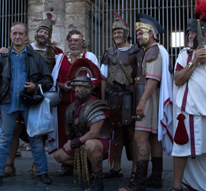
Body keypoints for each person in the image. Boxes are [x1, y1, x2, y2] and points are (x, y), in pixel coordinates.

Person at [171, 1, 206, 191]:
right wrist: (194, 62)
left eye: (192, 33)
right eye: (188, 33)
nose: (189, 36)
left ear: (204, 34)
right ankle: (176, 187)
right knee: (181, 148)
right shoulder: (184, 55)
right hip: (190, 110)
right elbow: (178, 80)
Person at [0, 17, 67, 177]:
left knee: (38, 132)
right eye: (40, 31)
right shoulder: (24, 48)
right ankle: (9, 164)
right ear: (35, 34)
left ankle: (38, 166)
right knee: (15, 130)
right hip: (19, 96)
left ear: (49, 37)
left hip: (39, 97)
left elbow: (59, 72)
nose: (42, 34)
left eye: (46, 32)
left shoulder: (55, 52)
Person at [0, 22, 53, 188]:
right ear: (10, 36)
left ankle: (43, 172)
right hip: (6, 103)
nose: (17, 37)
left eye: (21, 34)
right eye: (14, 33)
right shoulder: (1, 58)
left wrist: (36, 86)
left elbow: (48, 81)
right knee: (4, 139)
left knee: (36, 139)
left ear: (26, 37)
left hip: (29, 104)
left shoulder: (35, 58)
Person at [120, 13, 173, 191]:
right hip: (150, 100)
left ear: (150, 33)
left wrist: (141, 102)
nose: (137, 37)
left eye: (140, 33)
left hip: (148, 101)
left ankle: (139, 182)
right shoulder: (150, 50)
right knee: (153, 139)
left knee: (139, 137)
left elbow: (153, 79)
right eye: (137, 33)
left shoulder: (153, 51)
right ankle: (156, 178)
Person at [54, 58, 110, 191]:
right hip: (80, 142)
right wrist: (69, 139)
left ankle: (98, 180)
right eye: (75, 86)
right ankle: (89, 166)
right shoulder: (73, 106)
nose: (77, 90)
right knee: (58, 156)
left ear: (89, 88)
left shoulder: (96, 105)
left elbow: (94, 133)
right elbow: (67, 123)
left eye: (81, 87)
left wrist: (73, 143)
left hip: (98, 143)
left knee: (91, 144)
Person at [100, 13, 144, 181]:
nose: (116, 35)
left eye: (119, 32)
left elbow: (141, 77)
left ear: (126, 33)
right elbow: (103, 79)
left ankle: (135, 170)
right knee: (116, 134)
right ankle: (116, 168)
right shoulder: (108, 53)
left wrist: (139, 99)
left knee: (132, 133)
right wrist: (103, 101)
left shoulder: (137, 52)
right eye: (114, 32)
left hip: (129, 97)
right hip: (112, 98)